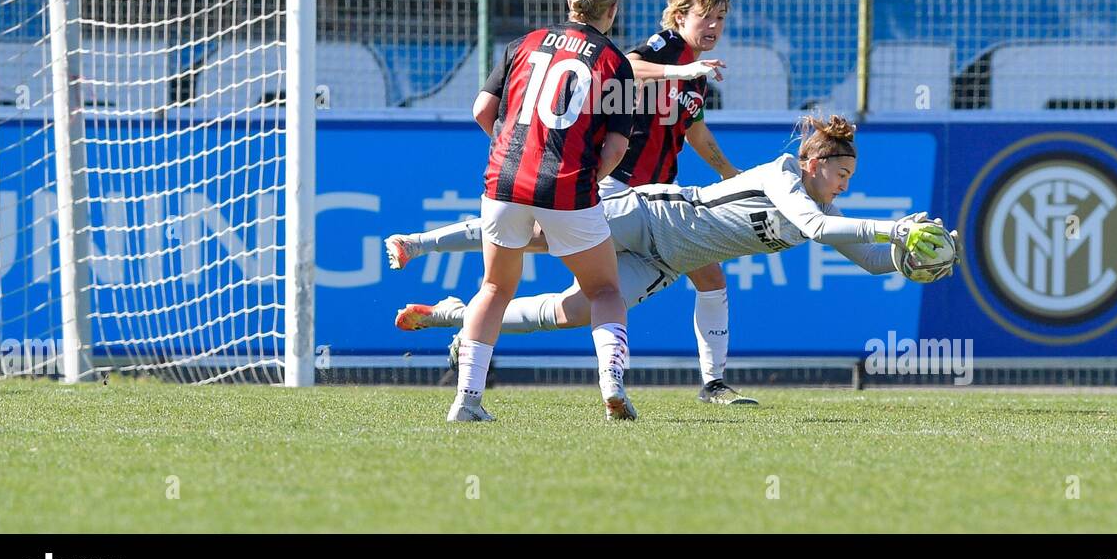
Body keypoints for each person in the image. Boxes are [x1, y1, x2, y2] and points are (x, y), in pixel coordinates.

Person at [390, 116, 958, 363]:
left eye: (850, 180)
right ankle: (419, 243)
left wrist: (909, 260)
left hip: (664, 261)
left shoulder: (822, 204)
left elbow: (869, 260)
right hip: (650, 217)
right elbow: (816, 230)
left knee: (572, 312)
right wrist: (896, 224)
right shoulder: (783, 172)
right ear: (813, 162)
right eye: (842, 173)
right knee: (534, 235)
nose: (844, 184)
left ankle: (453, 317)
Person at [445, 0, 637, 423]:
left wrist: (515, 150)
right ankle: (611, 383)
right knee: (606, 289)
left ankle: (466, 400)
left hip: (504, 180)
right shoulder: (614, 62)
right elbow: (614, 146)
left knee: (493, 287)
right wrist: (582, 183)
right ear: (611, 10)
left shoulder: (523, 43)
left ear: (570, 0)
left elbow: (481, 110)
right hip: (567, 185)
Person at [605, 0, 753, 406]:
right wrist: (683, 69)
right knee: (569, 285)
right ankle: (467, 325)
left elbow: (695, 130)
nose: (714, 26)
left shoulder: (697, 72)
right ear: (679, 16)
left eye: (721, 17)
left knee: (709, 275)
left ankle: (713, 383)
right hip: (618, 189)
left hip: (658, 198)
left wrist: (730, 173)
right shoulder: (669, 47)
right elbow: (625, 66)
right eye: (704, 15)